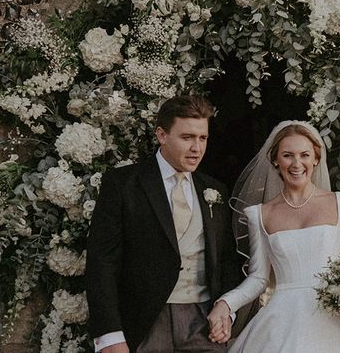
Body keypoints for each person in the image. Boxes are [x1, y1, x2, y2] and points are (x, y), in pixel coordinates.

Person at [206, 121, 340, 352]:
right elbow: (259, 278)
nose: (297, 163)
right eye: (288, 155)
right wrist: (225, 303)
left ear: (316, 159)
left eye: (304, 155)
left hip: (336, 320)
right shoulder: (260, 214)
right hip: (283, 320)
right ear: (276, 160)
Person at [86, 94, 242, 353]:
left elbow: (226, 259)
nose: (197, 148)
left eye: (202, 138)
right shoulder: (124, 184)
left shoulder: (215, 189)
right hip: (144, 323)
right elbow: (102, 262)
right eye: (187, 137)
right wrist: (110, 336)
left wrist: (227, 310)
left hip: (203, 324)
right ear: (162, 135)